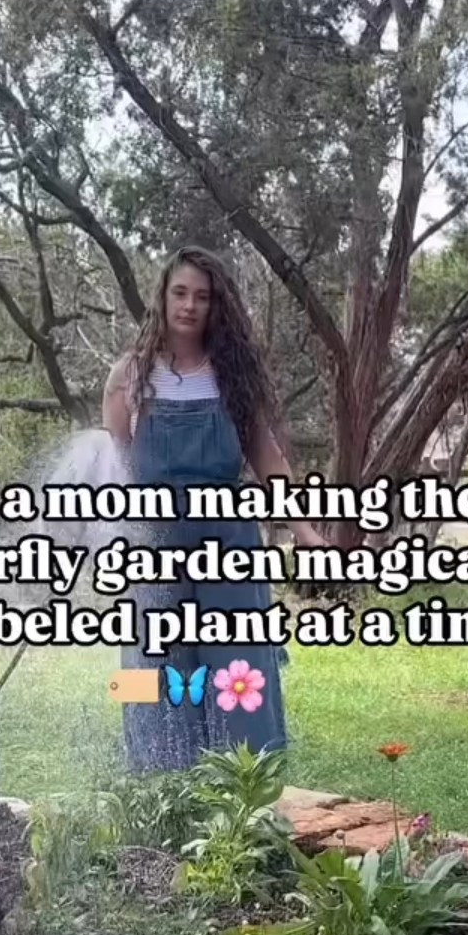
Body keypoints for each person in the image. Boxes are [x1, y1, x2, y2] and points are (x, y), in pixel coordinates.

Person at [102, 244, 325, 774]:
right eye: (180, 292)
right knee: (153, 664)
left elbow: (268, 459)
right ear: (162, 298)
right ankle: (157, 786)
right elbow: (119, 466)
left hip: (229, 540)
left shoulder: (232, 376)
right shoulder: (128, 376)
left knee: (237, 664)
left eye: (202, 296)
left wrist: (306, 532)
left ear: (216, 305)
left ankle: (247, 787)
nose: (189, 305)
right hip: (155, 543)